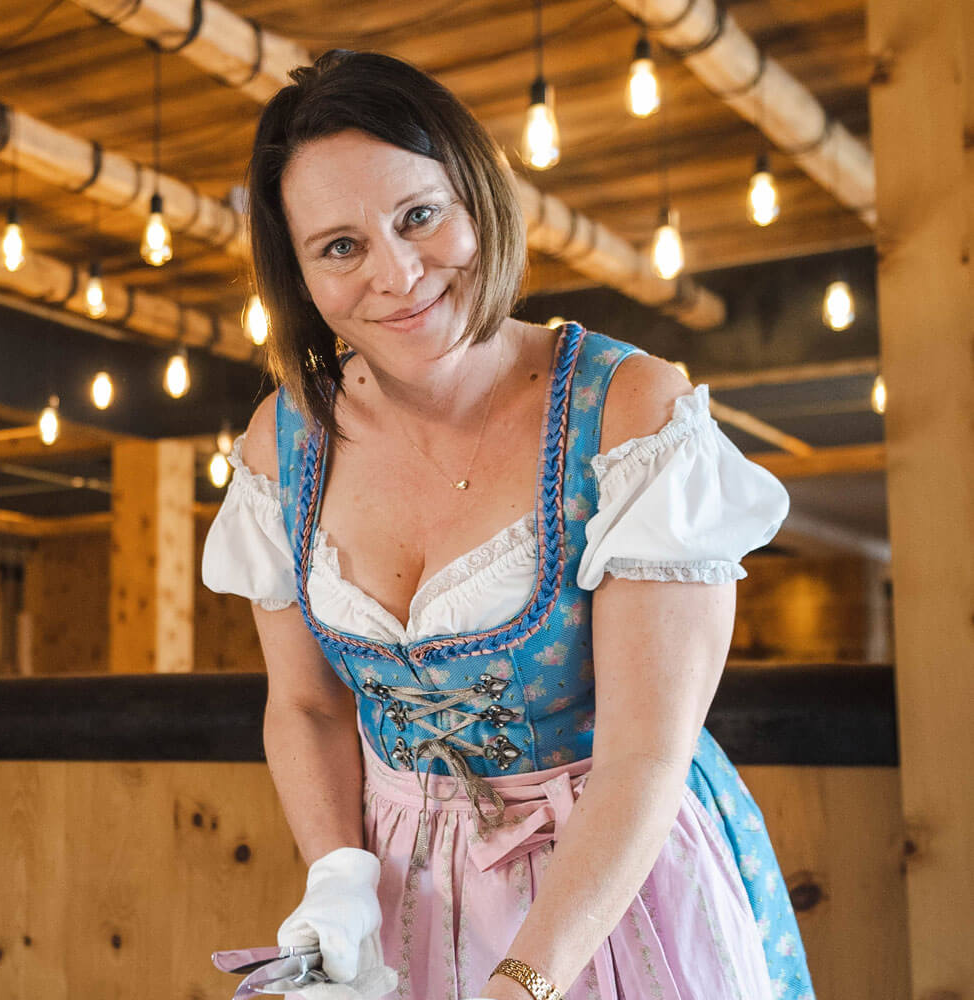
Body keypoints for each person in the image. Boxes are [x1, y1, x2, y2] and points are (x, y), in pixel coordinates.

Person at [201, 50, 814, 1000]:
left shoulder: (627, 413)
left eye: (419, 216)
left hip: (613, 886)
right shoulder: (282, 446)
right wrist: (338, 878)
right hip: (405, 894)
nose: (397, 273)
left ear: (479, 199)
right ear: (301, 275)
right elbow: (309, 707)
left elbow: (645, 755)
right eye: (340, 247)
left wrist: (524, 979)